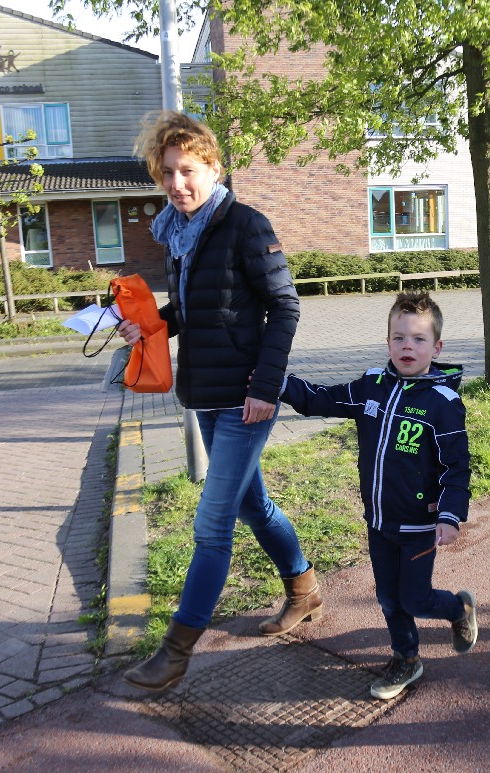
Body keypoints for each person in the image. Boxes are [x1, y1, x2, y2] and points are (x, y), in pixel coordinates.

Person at [117, 112, 317, 692]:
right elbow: (192, 310)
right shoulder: (178, 236)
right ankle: (304, 588)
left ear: (214, 168)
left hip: (245, 400)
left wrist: (265, 389)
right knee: (253, 505)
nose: (177, 183)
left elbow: (285, 306)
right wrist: (149, 325)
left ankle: (176, 650)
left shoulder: (246, 225)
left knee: (212, 524)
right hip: (204, 392)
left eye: (188, 170)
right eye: (167, 173)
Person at [280, 291, 477, 700]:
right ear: (388, 342)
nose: (408, 346)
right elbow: (320, 399)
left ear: (437, 347)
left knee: (415, 598)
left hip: (419, 526)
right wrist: (278, 383)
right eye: (399, 338)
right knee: (388, 596)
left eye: (419, 339)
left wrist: (450, 515)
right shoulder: (371, 385)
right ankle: (406, 657)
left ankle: (458, 608)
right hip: (379, 522)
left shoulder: (444, 403)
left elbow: (457, 467)